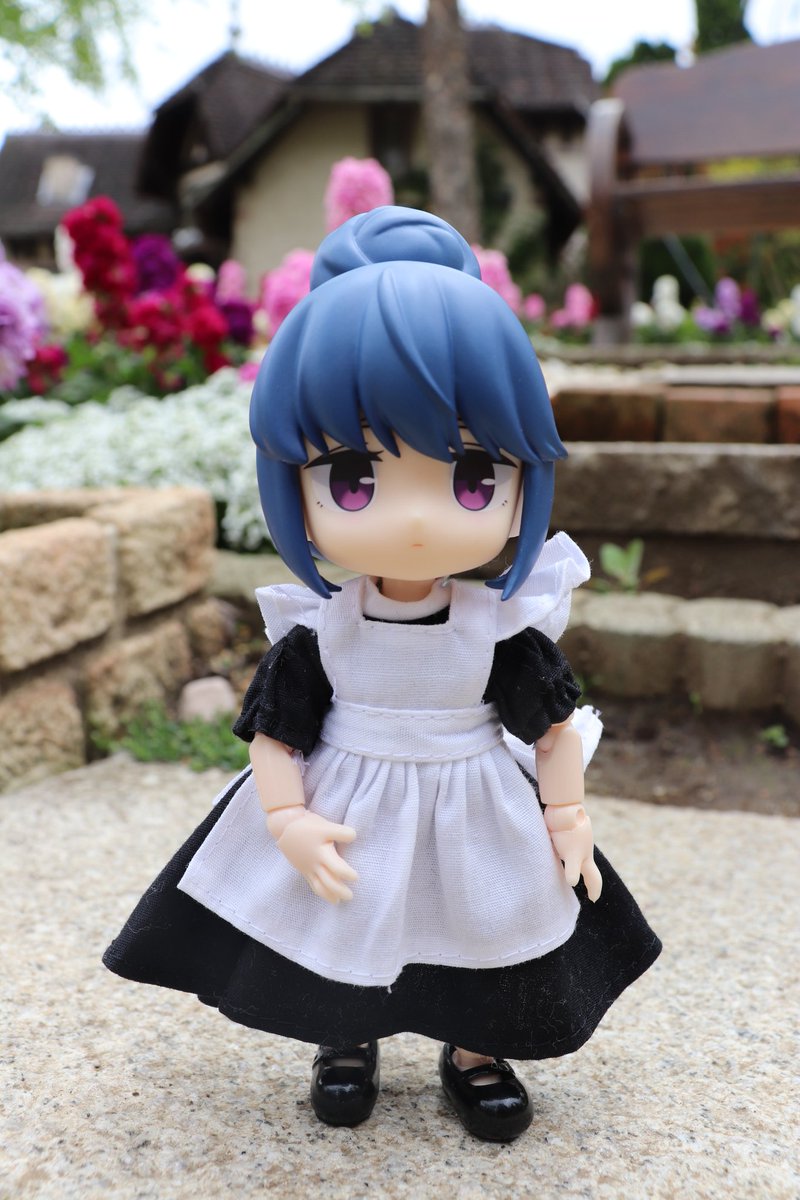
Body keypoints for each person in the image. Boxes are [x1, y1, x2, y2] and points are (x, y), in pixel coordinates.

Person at [104, 206, 661, 1143]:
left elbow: (553, 728)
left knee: (486, 925)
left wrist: (565, 814)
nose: (413, 519)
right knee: (343, 925)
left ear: (523, 484)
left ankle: (475, 1051)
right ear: (294, 486)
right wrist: (285, 817)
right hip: (351, 800)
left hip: (473, 800)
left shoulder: (498, 630)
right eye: (353, 477)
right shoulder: (323, 632)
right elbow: (276, 736)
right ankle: (345, 1040)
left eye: (473, 475)